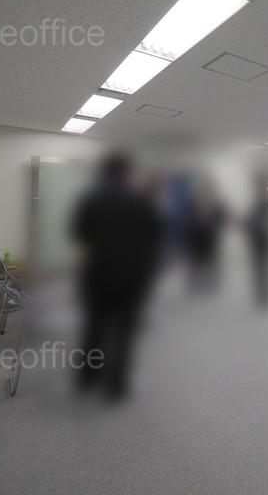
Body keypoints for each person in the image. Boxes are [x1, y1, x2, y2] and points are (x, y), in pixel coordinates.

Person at [71, 152, 161, 400]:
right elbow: (154, 236)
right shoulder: (142, 203)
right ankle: (116, 385)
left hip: (98, 275)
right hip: (131, 277)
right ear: (128, 174)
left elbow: (78, 234)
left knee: (95, 326)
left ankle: (88, 377)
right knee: (124, 332)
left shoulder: (90, 202)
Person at [244, 173, 268, 309]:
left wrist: (250, 223)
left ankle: (265, 296)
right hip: (256, 240)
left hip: (264, 241)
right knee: (257, 269)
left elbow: (261, 223)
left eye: (257, 187)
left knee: (263, 269)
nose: (255, 189)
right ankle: (261, 293)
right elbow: (251, 220)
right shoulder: (256, 203)